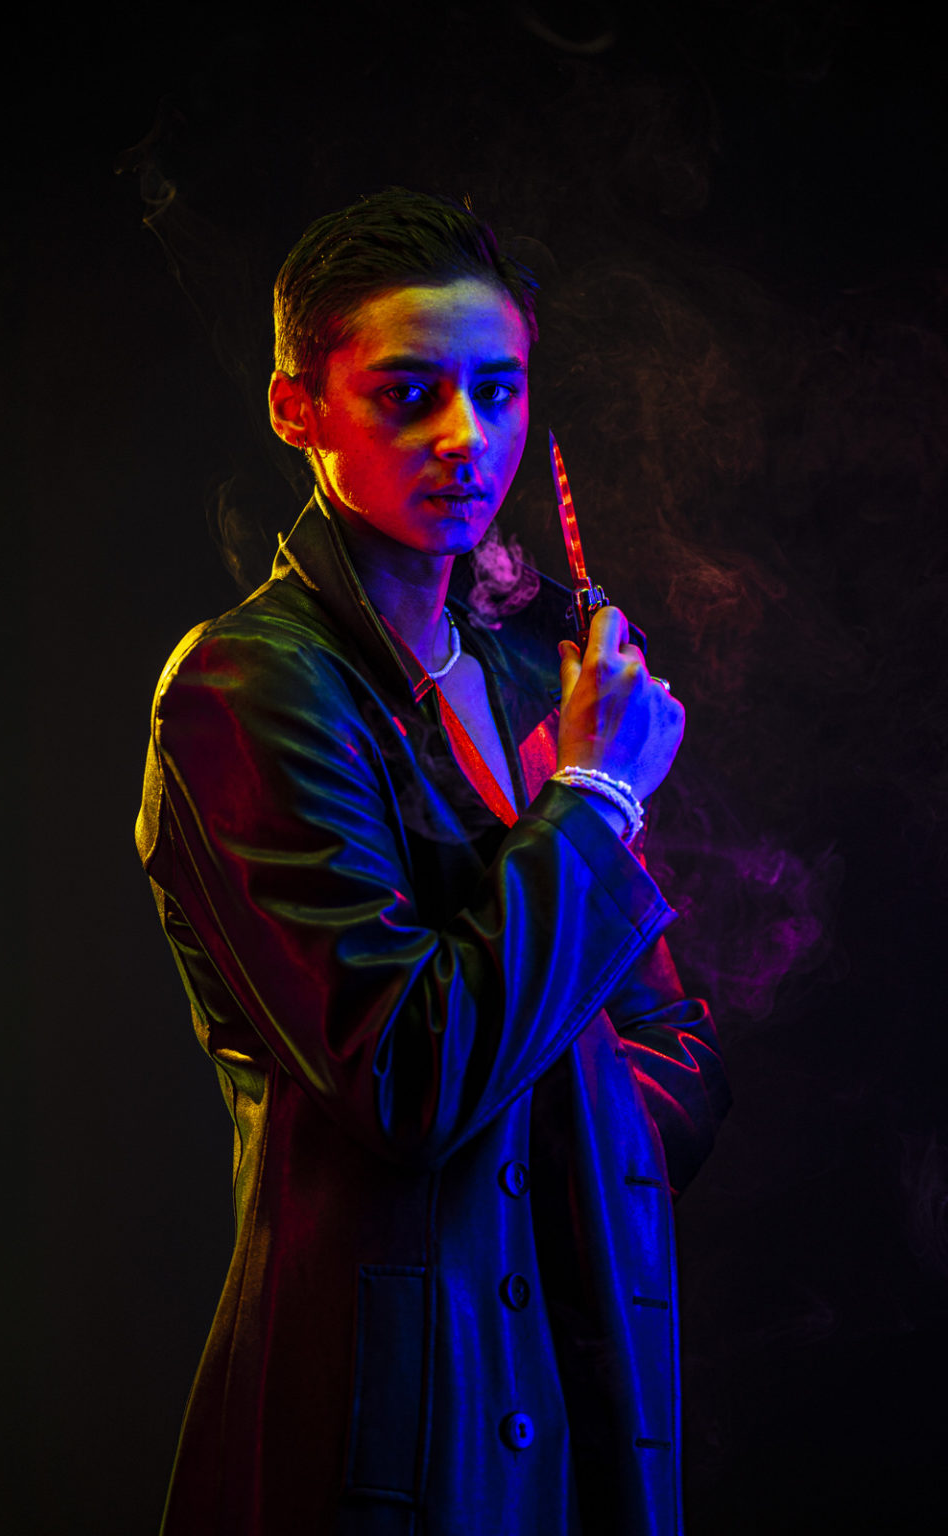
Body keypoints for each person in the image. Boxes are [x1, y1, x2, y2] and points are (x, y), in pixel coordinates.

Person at [136, 187, 730, 1536]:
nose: (468, 438)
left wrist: (577, 1136)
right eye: (409, 395)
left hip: (577, 1385)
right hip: (385, 1416)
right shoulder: (249, 689)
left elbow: (679, 1041)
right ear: (298, 410)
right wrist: (594, 799)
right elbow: (406, 1076)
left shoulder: (530, 679)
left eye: (498, 391)